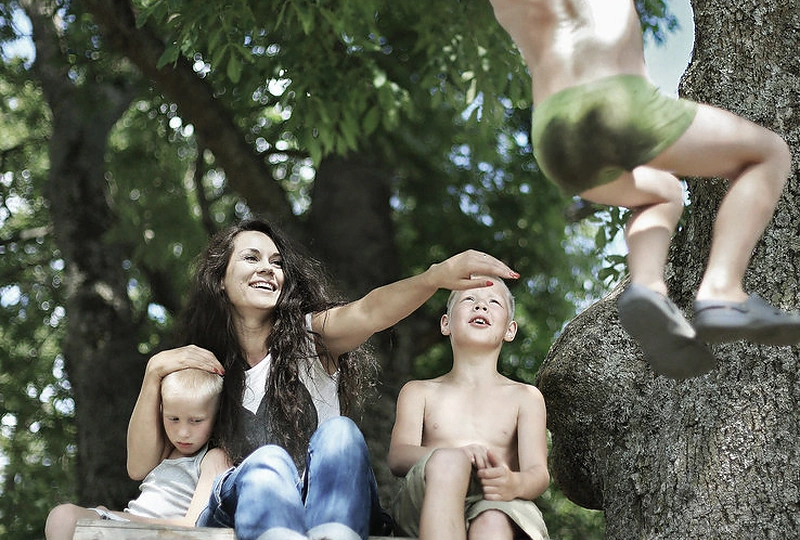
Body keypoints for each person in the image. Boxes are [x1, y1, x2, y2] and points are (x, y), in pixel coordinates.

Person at [126, 218, 520, 540]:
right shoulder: (201, 366)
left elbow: (369, 311)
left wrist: (435, 277)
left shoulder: (311, 337)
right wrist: (154, 372)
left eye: (277, 262)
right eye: (251, 258)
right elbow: (140, 467)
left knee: (341, 434)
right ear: (220, 279)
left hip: (328, 509)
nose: (268, 268)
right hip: (244, 510)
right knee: (266, 463)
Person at [488, 0, 800, 378]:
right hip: (614, 98)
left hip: (551, 134)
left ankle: (648, 289)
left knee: (662, 192)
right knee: (768, 154)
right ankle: (723, 289)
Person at [388, 278, 550, 540]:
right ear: (446, 324)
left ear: (510, 330)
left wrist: (514, 483)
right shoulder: (418, 392)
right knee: (449, 462)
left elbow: (538, 473)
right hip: (427, 497)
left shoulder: (526, 397)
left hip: (498, 501)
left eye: (494, 302)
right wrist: (454, 456)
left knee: (492, 522)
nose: (481, 306)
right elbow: (398, 457)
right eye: (469, 299)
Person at [44, 368, 229, 540]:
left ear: (217, 416)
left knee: (64, 517)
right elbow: (135, 465)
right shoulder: (166, 451)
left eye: (196, 421)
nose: (183, 432)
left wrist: (113, 516)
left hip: (156, 532)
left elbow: (195, 525)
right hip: (130, 526)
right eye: (173, 419)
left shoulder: (213, 457)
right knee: (63, 517)